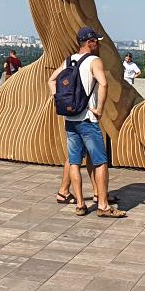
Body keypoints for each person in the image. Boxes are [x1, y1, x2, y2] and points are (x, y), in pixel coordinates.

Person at [47, 27, 126, 219]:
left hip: (70, 119)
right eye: (95, 41)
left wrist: (61, 100)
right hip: (87, 119)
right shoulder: (94, 61)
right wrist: (98, 109)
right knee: (100, 161)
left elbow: (51, 80)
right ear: (89, 42)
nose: (97, 44)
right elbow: (104, 83)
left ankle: (81, 205)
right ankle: (103, 206)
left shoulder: (68, 60)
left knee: (74, 162)